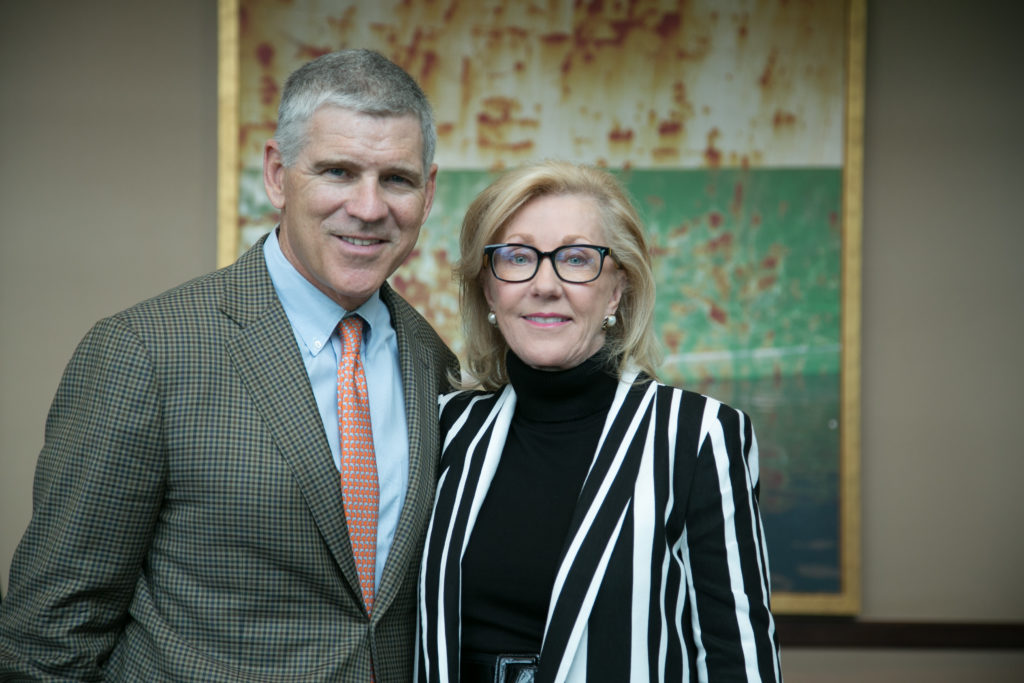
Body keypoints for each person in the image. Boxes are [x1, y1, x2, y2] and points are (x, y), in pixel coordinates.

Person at [0, 49, 458, 681]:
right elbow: (47, 638)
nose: (369, 206)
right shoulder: (146, 352)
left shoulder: (435, 362)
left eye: (397, 180)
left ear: (428, 194)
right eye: (338, 171)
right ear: (277, 174)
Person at [416, 161, 782, 682]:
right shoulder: (445, 427)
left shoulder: (697, 436)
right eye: (517, 258)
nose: (545, 284)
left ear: (617, 289)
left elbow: (739, 660)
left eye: (576, 259)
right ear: (489, 289)